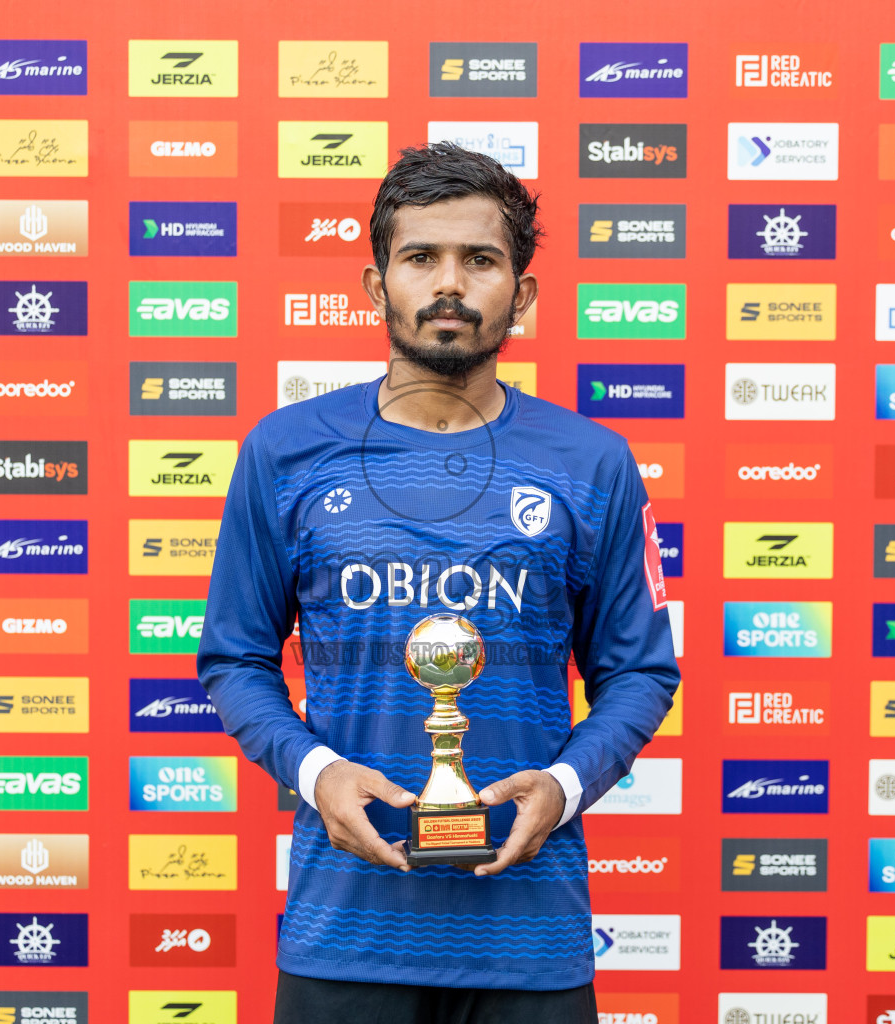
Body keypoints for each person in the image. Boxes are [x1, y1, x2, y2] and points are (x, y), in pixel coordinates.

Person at [197, 141, 681, 1024]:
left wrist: (567, 786)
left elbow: (641, 672)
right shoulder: (285, 451)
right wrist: (317, 775)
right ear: (377, 285)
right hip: (346, 934)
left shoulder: (594, 463)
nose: (449, 284)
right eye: (421, 258)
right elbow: (234, 658)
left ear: (521, 294)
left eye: (481, 260)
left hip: (529, 942)